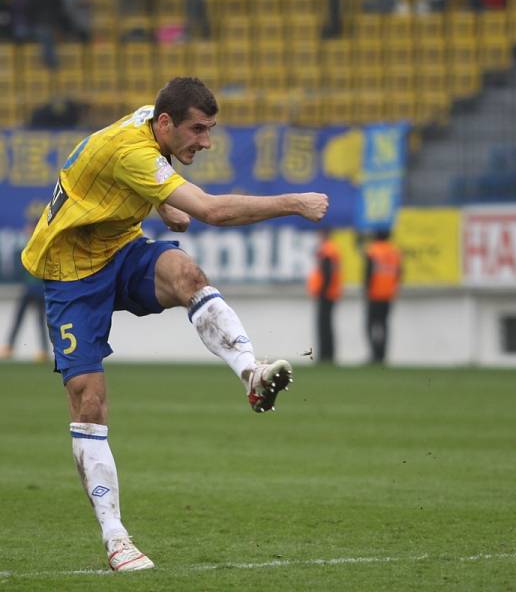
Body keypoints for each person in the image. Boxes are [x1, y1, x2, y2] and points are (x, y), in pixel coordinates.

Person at [20, 77, 328, 571]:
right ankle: (116, 537)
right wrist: (294, 203)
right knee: (89, 402)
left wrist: (162, 202)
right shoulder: (131, 151)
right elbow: (211, 210)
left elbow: (137, 170)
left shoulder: (149, 120)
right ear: (166, 123)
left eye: (209, 130)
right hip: (70, 273)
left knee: (188, 274)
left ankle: (251, 373)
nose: (205, 142)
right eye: (198, 130)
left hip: (119, 249)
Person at [1, 207, 49, 362]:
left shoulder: (39, 246)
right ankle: (9, 347)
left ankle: (43, 350)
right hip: (29, 289)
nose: (27, 229)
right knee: (19, 318)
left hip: (38, 289)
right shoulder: (27, 246)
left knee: (40, 321)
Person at [364, 230, 402, 363]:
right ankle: (383, 355)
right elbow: (399, 272)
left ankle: (374, 353)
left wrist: (366, 290)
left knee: (371, 325)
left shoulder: (372, 251)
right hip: (388, 293)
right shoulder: (394, 252)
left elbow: (368, 273)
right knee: (384, 325)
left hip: (374, 293)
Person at [306, 228, 342, 362]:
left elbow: (327, 274)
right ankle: (328, 354)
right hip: (331, 293)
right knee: (327, 325)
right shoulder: (332, 249)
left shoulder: (326, 250)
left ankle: (325, 355)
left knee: (323, 326)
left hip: (326, 293)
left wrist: (322, 291)